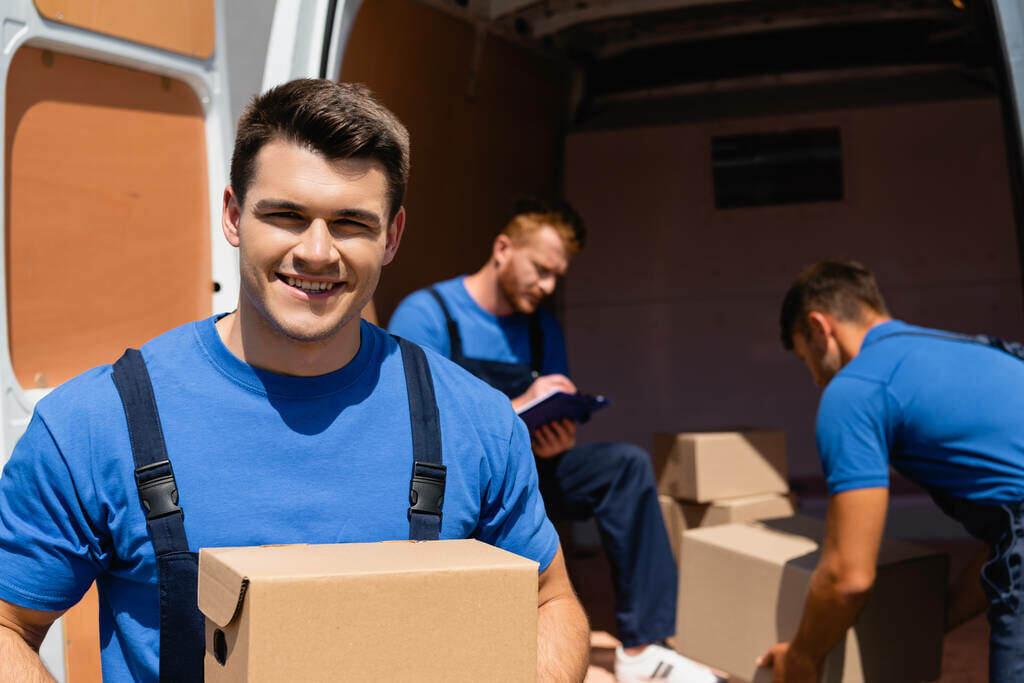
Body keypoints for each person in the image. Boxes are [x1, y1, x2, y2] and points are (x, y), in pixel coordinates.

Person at [0, 79, 590, 682]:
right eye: (285, 215)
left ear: (392, 237)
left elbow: (551, 601)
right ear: (233, 216)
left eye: (351, 223)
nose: (316, 252)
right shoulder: (98, 423)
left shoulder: (476, 423)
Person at [388, 198, 721, 683]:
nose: (547, 286)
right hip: (446, 485)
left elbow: (547, 414)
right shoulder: (428, 315)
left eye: (556, 276)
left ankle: (642, 649)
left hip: (527, 474)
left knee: (625, 465)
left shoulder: (543, 328)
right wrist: (520, 408)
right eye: (541, 269)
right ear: (503, 248)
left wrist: (554, 434)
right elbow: (413, 422)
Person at [759, 260, 1024, 683]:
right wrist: (931, 623)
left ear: (819, 327)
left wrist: (803, 657)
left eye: (806, 358)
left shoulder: (857, 388)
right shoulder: (978, 350)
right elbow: (1008, 538)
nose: (814, 381)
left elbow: (849, 576)